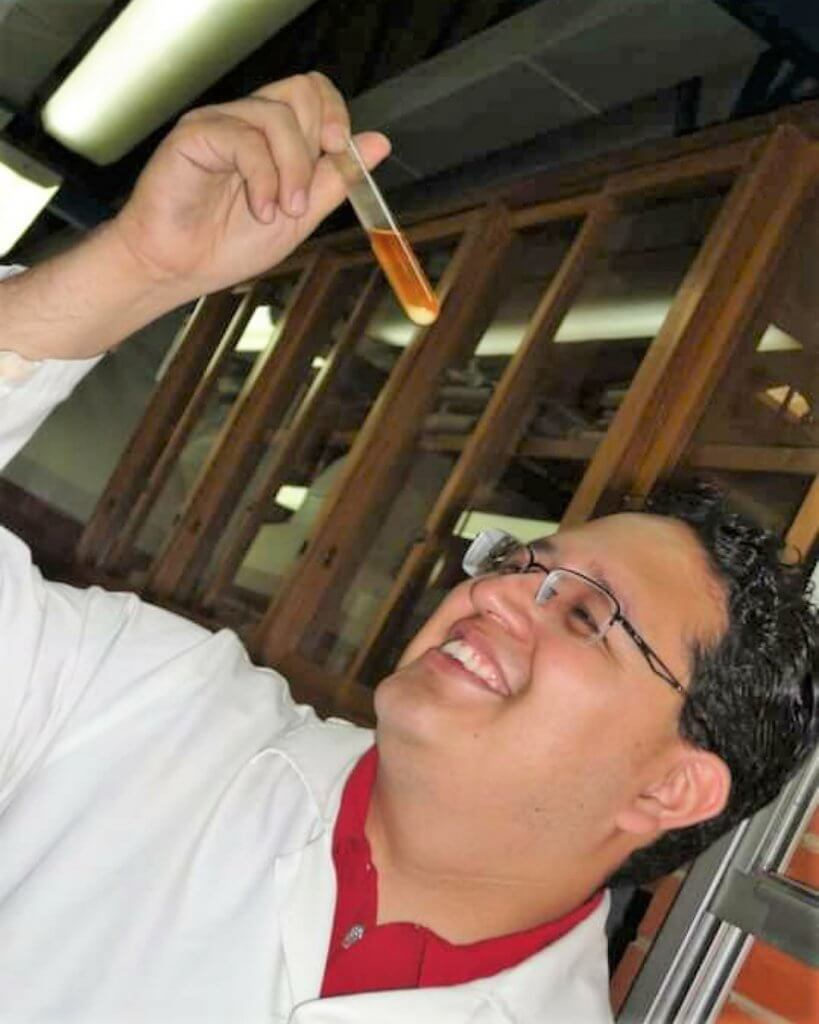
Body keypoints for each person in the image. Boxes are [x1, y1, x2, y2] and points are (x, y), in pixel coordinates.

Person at [0, 73, 816, 1024]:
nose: (495, 592)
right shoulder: (144, 703)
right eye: (519, 562)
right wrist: (137, 265)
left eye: (587, 615)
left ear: (671, 786)